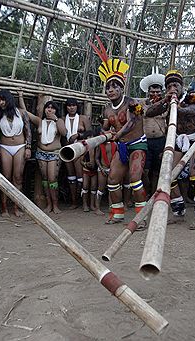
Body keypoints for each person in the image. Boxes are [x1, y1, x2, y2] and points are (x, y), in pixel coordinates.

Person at [90, 36, 147, 224]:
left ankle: (141, 218)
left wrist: (117, 135)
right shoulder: (107, 108)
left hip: (137, 145)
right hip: (121, 146)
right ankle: (118, 214)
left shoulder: (132, 103)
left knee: (135, 179)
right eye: (108, 87)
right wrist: (102, 130)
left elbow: (131, 124)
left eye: (115, 86)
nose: (110, 90)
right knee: (112, 180)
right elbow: (106, 127)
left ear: (122, 88)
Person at [146, 73, 195, 229]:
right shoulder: (167, 101)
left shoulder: (192, 99)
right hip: (178, 141)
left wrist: (175, 105)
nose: (172, 89)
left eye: (176, 86)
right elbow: (148, 113)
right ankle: (178, 212)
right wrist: (166, 100)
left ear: (182, 87)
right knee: (168, 175)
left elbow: (192, 111)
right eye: (169, 87)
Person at [0, 90, 32, 218]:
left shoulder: (21, 113)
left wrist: (28, 147)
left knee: (18, 177)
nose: (1, 102)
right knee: (5, 177)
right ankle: (5, 207)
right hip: (4, 147)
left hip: (20, 146)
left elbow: (28, 130)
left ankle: (17, 207)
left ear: (9, 99)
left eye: (3, 99)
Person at [28, 101, 67, 214]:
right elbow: (26, 113)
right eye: (47, 108)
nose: (49, 110)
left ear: (56, 110)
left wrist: (55, 119)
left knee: (52, 179)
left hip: (54, 154)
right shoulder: (40, 121)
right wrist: (20, 96)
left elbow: (64, 133)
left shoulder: (59, 121)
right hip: (41, 153)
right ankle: (49, 204)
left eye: (52, 108)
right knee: (45, 179)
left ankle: (55, 205)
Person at [139, 68, 167, 197]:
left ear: (161, 92)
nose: (155, 93)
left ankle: (155, 194)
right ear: (148, 92)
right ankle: (147, 191)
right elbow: (145, 113)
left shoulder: (166, 105)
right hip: (146, 140)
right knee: (145, 170)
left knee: (157, 170)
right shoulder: (142, 104)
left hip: (160, 140)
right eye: (152, 91)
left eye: (157, 91)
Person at [63, 98, 92, 209]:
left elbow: (90, 132)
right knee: (71, 177)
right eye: (69, 105)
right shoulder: (62, 119)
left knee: (81, 176)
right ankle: (74, 202)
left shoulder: (83, 118)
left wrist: (78, 135)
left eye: (73, 105)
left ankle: (84, 202)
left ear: (77, 106)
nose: (71, 107)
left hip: (80, 150)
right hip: (67, 150)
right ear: (66, 107)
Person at [95, 140, 117, 215]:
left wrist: (114, 168)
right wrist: (101, 169)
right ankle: (97, 208)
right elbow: (97, 158)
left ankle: (111, 207)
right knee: (100, 189)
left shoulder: (115, 144)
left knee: (112, 188)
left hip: (112, 169)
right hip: (103, 168)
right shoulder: (100, 145)